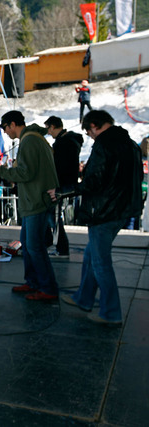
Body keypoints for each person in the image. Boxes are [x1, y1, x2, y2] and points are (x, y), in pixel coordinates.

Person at [59, 110, 143, 325]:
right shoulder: (130, 144)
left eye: (89, 132)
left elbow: (94, 181)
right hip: (121, 210)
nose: (90, 136)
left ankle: (111, 312)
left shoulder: (104, 145)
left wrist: (66, 190)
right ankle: (84, 298)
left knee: (100, 262)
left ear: (94, 126)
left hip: (104, 211)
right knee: (91, 254)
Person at [0, 110, 60, 301]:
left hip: (35, 202)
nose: (6, 133)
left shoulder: (29, 141)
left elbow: (26, 174)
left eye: (6, 128)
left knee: (34, 247)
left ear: (12, 124)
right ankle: (33, 283)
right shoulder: (34, 139)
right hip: (34, 200)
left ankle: (48, 288)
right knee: (29, 246)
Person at [43, 116, 83, 257]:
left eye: (48, 128)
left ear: (53, 126)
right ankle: (53, 244)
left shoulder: (63, 143)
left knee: (53, 216)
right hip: (66, 184)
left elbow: (59, 167)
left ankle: (61, 247)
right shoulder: (71, 141)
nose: (48, 132)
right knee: (53, 216)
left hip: (60, 185)